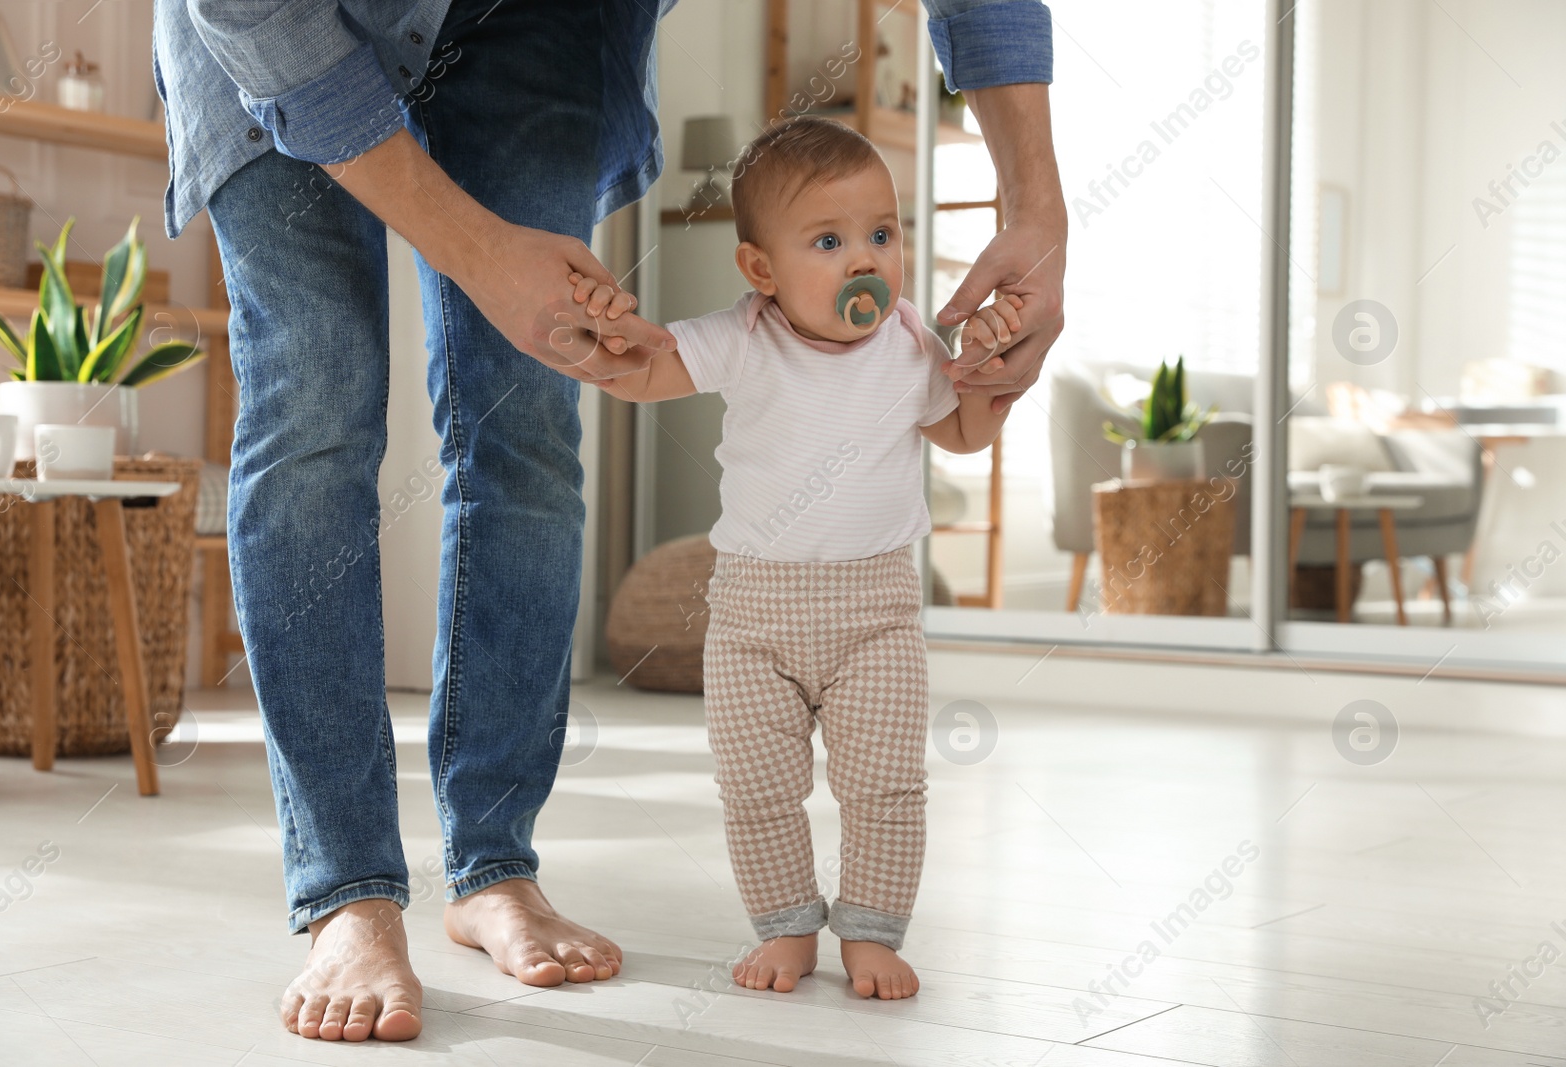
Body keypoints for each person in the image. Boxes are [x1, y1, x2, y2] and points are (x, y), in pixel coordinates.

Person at [155, 0, 1061, 1042]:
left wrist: (1034, 212)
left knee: (526, 416)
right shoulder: (754, 328)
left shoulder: (899, 343)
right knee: (314, 401)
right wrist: (477, 252)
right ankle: (347, 891)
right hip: (286, 30)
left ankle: (492, 860)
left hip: (544, 25)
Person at [575, 116, 1024, 1000]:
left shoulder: (907, 342)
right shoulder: (742, 336)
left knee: (887, 784)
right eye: (830, 240)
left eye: (882, 235)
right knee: (757, 787)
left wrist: (994, 376)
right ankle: (785, 925)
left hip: (878, 613)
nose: (866, 259)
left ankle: (872, 930)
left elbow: (963, 431)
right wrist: (603, 338)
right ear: (761, 270)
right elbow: (647, 371)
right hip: (753, 618)